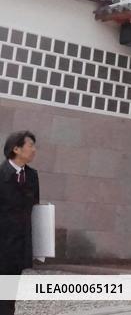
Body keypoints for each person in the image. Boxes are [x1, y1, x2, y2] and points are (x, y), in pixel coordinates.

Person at [0, 131, 39, 315]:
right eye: (30, 145)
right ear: (16, 149)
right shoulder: (1, 174)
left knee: (9, 293)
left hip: (19, 245)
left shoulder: (31, 176)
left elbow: (34, 208)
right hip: (2, 243)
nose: (34, 150)